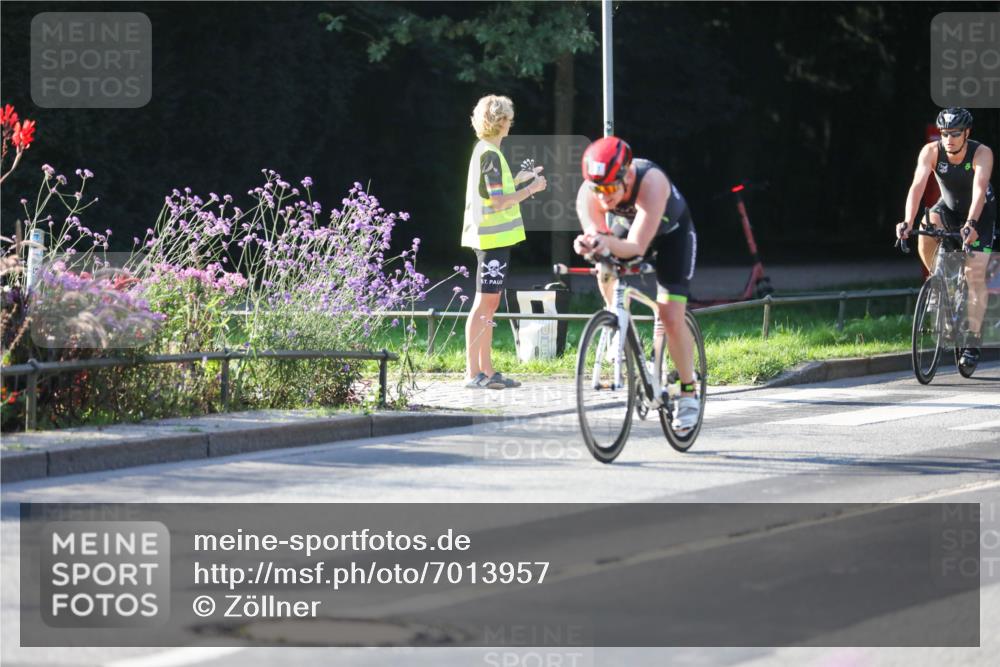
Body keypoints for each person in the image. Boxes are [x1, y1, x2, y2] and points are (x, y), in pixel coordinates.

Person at [572, 136, 700, 432]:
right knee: (603, 262)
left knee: (670, 317)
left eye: (609, 189)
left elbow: (636, 247)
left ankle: (688, 392)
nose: (603, 198)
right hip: (629, 230)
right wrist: (590, 242)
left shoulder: (651, 182)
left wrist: (606, 241)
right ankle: (617, 324)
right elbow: (599, 235)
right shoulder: (589, 191)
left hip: (672, 238)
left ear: (627, 175)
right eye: (597, 189)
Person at [897, 107, 996, 370]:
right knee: (926, 224)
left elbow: (979, 190)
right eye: (944, 133)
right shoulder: (931, 152)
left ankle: (972, 342)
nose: (949, 138)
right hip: (949, 209)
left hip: (980, 214)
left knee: (974, 275)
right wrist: (907, 221)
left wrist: (972, 224)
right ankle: (937, 281)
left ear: (967, 133)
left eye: (955, 133)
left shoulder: (981, 153)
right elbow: (917, 187)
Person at [461, 94, 547, 389]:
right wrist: (532, 188)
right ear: (498, 122)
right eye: (508, 119)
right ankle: (474, 373)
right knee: (484, 304)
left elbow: (496, 191)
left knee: (489, 303)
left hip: (493, 239)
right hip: (491, 239)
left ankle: (486, 370)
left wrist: (520, 180)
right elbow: (498, 202)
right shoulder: (490, 155)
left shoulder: (488, 152)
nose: (511, 123)